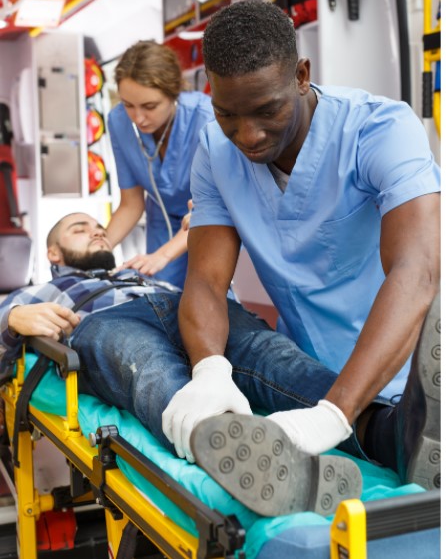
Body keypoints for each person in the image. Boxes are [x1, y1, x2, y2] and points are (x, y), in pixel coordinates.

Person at [158, 1, 441, 511]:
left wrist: (334, 414)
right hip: (306, 376)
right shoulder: (216, 153)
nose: (248, 135)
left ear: (302, 75)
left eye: (267, 110)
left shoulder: (379, 130)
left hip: (408, 376)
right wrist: (209, 372)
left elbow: (416, 271)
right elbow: (204, 279)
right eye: (227, 114)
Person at [0, 211, 439, 516]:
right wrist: (13, 318)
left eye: (100, 226)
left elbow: (207, 291)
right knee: (150, 371)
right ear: (53, 253)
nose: (98, 232)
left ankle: (395, 435)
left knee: (278, 360)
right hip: (103, 321)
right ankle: (239, 454)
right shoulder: (36, 293)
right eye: (81, 229)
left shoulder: (144, 271)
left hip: (184, 309)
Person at [106, 40, 214, 289]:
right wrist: (96, 250)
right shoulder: (119, 122)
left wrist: (163, 255)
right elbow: (131, 204)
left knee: (207, 293)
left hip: (207, 219)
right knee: (160, 294)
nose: (138, 118)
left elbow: (213, 207)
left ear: (174, 92)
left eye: (149, 106)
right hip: (161, 220)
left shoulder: (206, 119)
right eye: (128, 105)